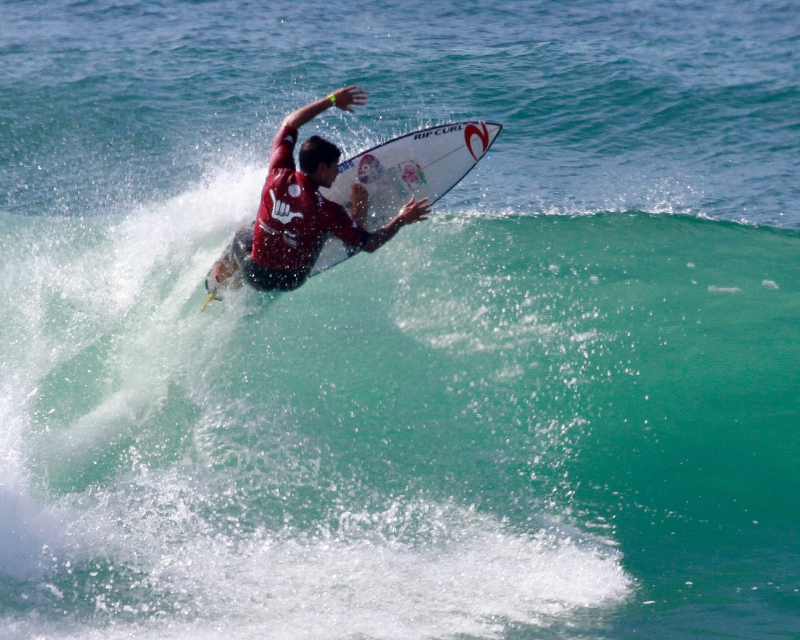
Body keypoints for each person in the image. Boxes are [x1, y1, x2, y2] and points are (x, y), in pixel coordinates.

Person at [206, 85, 430, 298]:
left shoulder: (276, 172)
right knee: (323, 228)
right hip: (292, 279)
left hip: (256, 275)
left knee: (244, 233)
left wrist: (331, 100)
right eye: (335, 166)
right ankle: (355, 218)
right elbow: (370, 244)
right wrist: (402, 219)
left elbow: (290, 123)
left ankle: (222, 279)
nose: (336, 171)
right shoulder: (325, 209)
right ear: (322, 169)